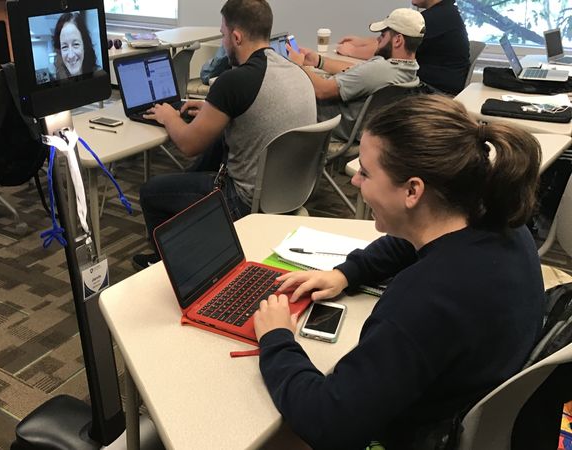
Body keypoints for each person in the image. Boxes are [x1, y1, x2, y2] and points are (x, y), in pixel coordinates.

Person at [253, 94, 545, 449]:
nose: (355, 182)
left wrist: (277, 339)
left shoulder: (424, 300)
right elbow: (408, 239)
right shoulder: (500, 221)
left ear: (412, 190)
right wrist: (347, 273)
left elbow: (326, 423)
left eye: (365, 172)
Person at [132, 0, 317, 270]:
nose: (223, 40)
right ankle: (196, 245)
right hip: (290, 193)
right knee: (215, 146)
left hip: (243, 200)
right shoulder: (295, 71)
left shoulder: (234, 80)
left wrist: (169, 117)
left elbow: (187, 144)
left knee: (151, 193)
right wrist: (211, 109)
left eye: (223, 34)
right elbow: (256, 111)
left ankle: (170, 267)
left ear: (237, 36)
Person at [287, 8, 423, 142]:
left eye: (382, 35)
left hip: (333, 123)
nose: (378, 39)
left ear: (398, 40)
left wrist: (298, 66)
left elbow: (322, 90)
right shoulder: (409, 68)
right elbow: (357, 71)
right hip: (363, 128)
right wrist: (318, 61)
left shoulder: (380, 69)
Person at [337, 0, 470, 95]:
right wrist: (361, 42)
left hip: (434, 93)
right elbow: (391, 39)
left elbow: (387, 49)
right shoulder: (446, 13)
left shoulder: (433, 19)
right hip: (435, 87)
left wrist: (351, 51)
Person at [53, 12, 99, 79]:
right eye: (64, 47)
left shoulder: (98, 75)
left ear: (84, 46)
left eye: (76, 44)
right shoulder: (58, 80)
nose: (71, 56)